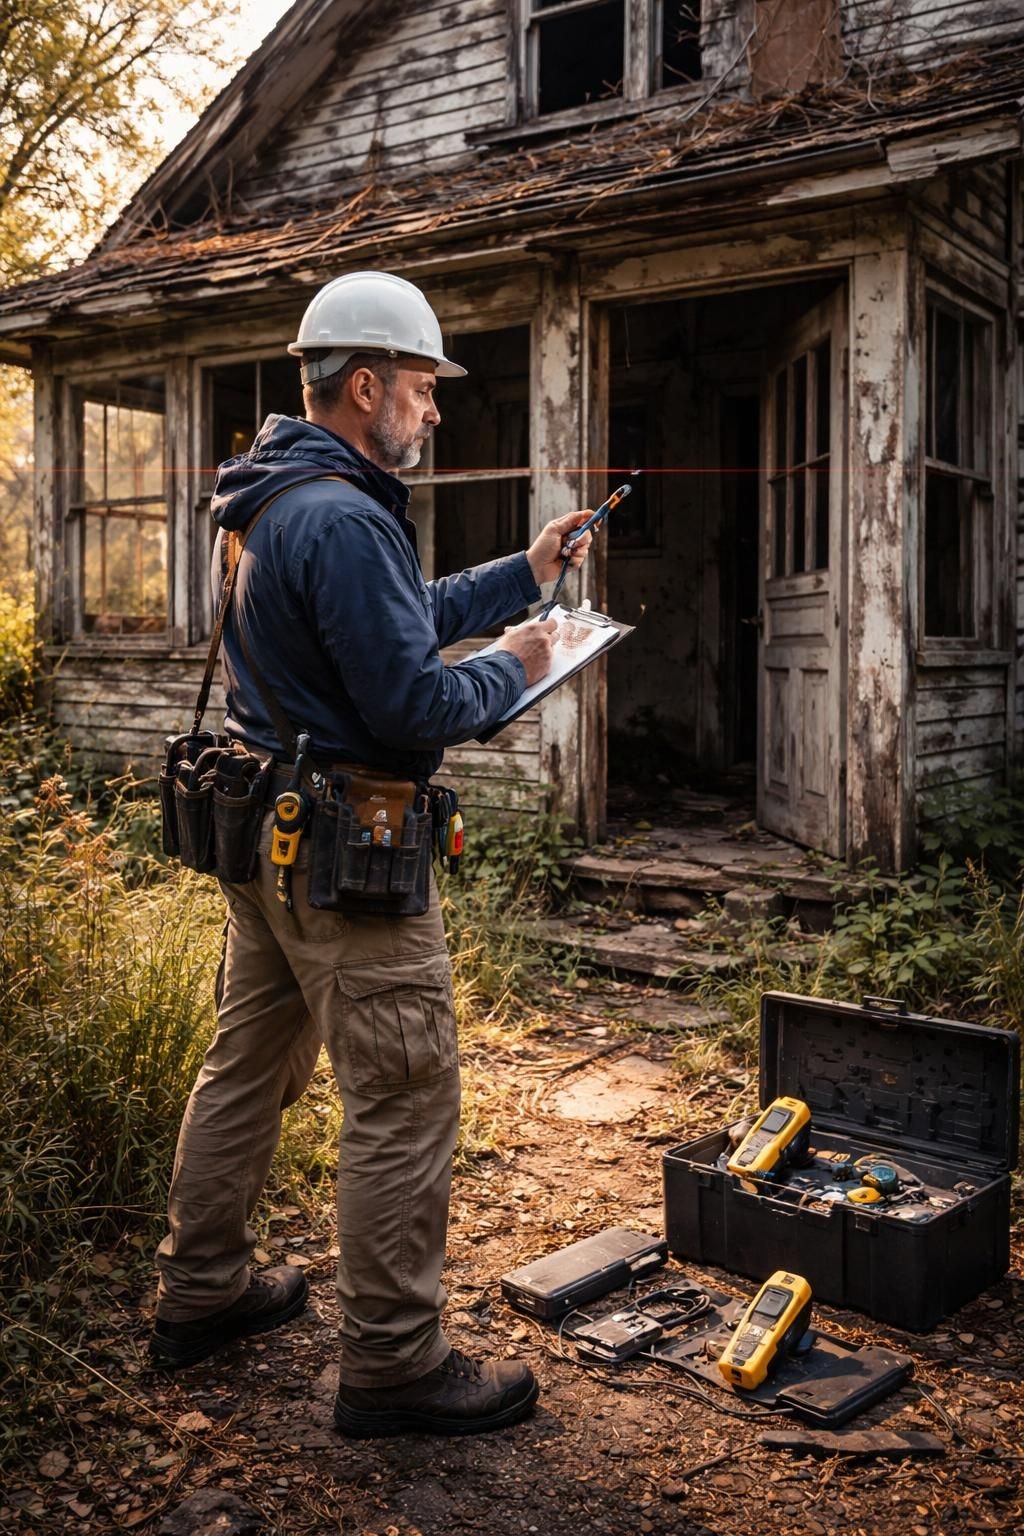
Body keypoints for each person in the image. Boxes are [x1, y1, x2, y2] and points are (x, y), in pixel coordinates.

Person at [150, 271, 594, 1438]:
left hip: (264, 846)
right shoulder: (345, 516)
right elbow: (409, 703)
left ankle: (200, 1292)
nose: (436, 408)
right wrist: (520, 663)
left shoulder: (271, 497)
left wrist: (525, 575)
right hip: (347, 860)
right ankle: (393, 1364)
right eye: (422, 386)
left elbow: (389, 619)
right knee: (403, 1094)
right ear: (364, 385)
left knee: (246, 1069)